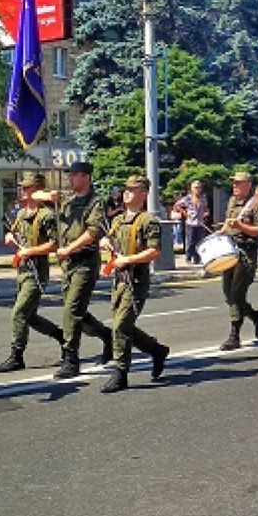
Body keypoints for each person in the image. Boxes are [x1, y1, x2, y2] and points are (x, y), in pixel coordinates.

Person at [40, 161, 115, 379]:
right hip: (68, 264)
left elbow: (92, 233)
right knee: (77, 311)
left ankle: (71, 358)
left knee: (71, 309)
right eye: (69, 176)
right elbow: (34, 197)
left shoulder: (95, 202)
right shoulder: (67, 200)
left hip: (84, 261)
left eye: (74, 176)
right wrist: (49, 197)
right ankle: (105, 336)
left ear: (86, 177)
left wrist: (69, 248)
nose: (70, 179)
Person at [98, 175, 171, 393]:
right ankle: (156, 350)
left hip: (136, 281)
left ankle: (120, 373)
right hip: (118, 281)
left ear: (143, 193)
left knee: (120, 326)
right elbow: (109, 240)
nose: (126, 192)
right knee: (123, 325)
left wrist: (128, 260)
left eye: (132, 189)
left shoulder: (148, 220)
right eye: (126, 188)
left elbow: (154, 251)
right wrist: (105, 243)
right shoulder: (118, 220)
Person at [0, 173, 64, 373]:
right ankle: (61, 337)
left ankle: (17, 355)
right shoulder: (22, 214)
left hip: (37, 270)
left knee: (19, 312)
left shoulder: (46, 215)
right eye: (22, 188)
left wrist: (30, 251)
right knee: (29, 316)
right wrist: (10, 237)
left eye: (26, 188)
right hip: (23, 270)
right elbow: (16, 235)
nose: (22, 191)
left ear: (38, 189)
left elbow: (55, 244)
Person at [218, 170, 258, 350]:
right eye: (233, 183)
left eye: (238, 183)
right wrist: (222, 231)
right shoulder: (232, 201)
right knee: (228, 294)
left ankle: (234, 336)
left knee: (237, 294)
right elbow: (228, 221)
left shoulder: (256, 204)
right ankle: (255, 316)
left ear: (248, 185)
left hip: (247, 253)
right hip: (230, 251)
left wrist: (240, 226)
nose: (234, 186)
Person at [174, 180, 210, 265]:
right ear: (192, 189)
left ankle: (197, 258)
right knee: (191, 241)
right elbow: (177, 205)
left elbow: (205, 208)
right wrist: (185, 213)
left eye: (199, 187)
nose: (198, 189)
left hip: (200, 223)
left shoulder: (203, 198)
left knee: (199, 241)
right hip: (191, 223)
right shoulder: (187, 198)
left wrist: (206, 213)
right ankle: (188, 257)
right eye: (196, 187)